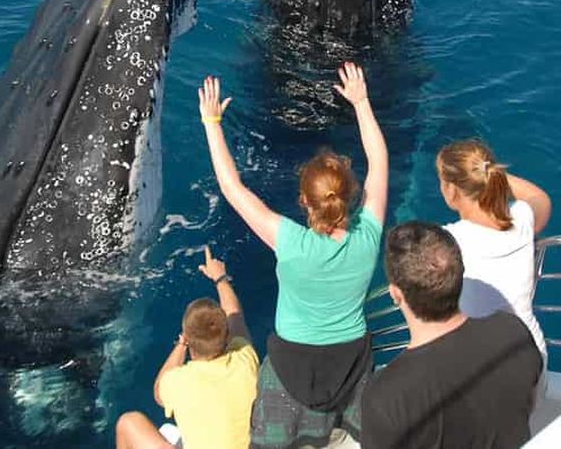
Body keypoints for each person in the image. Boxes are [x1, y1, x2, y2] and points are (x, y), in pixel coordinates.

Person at [198, 62, 387, 447]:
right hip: (352, 362)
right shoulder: (368, 234)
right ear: (349, 194)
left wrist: (212, 124)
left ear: (304, 201)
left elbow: (233, 188)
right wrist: (361, 102)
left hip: (291, 368)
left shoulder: (291, 242)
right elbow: (379, 162)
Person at [362, 221, 542, 448]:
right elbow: (529, 405)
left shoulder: (386, 395)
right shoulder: (513, 333)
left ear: (396, 294)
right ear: (459, 277)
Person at [115, 246, 259, 449]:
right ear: (226, 334)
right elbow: (235, 314)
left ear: (189, 339)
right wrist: (220, 278)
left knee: (129, 422)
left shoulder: (178, 382)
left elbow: (158, 392)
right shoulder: (245, 358)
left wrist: (181, 344)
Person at [436, 139, 550, 365]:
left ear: (451, 190)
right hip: (532, 354)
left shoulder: (446, 241)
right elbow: (539, 198)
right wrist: (486, 172)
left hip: (483, 365)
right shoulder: (522, 220)